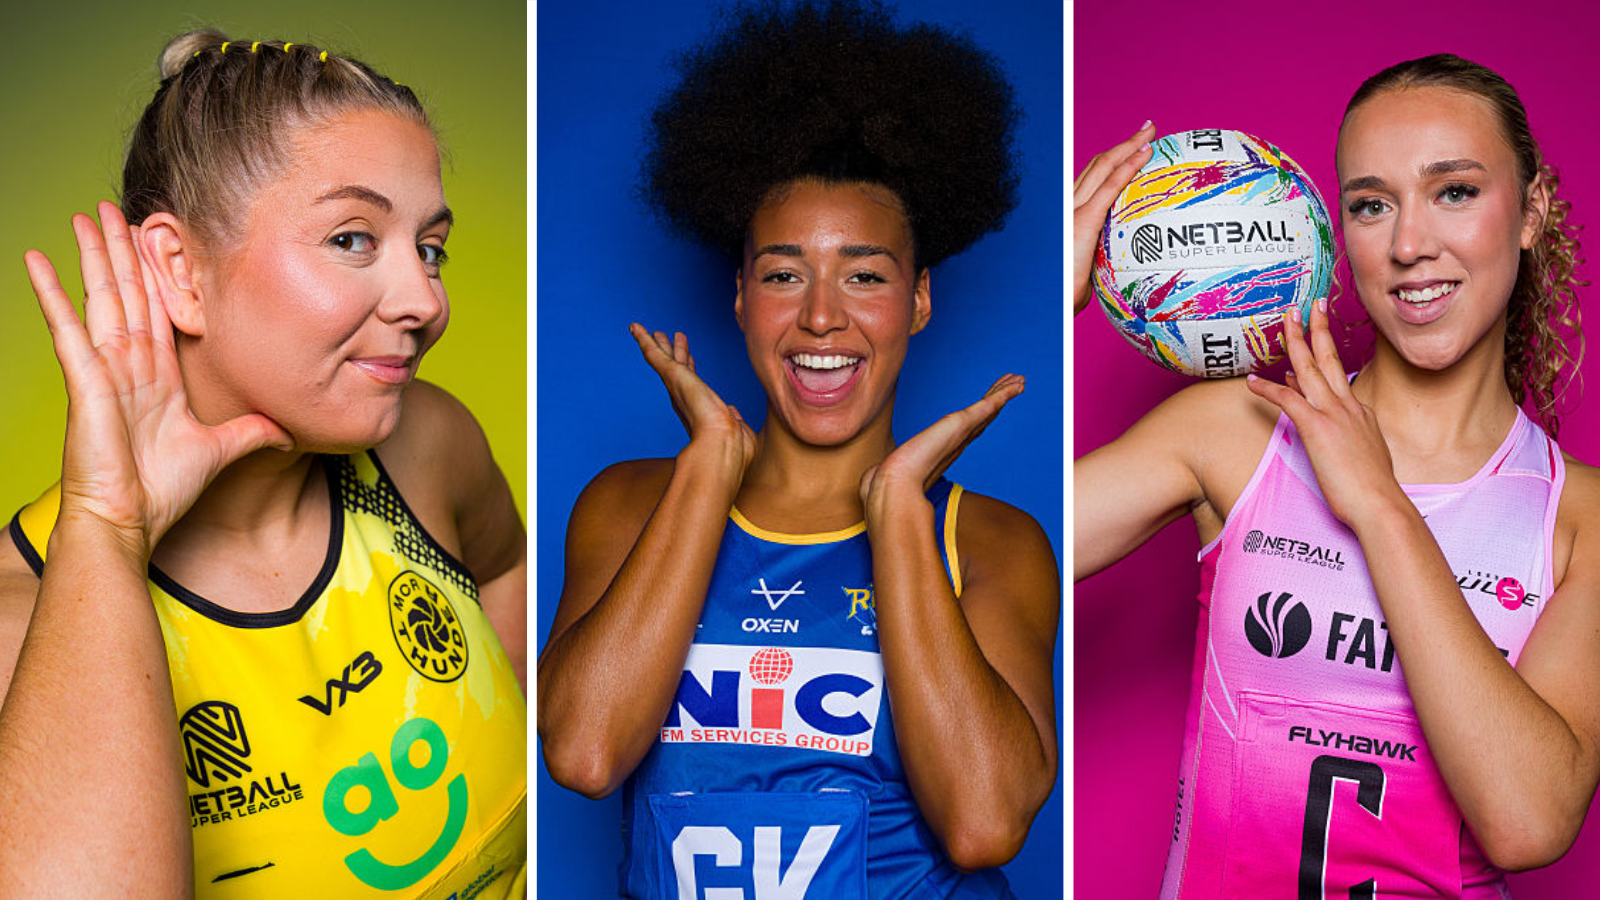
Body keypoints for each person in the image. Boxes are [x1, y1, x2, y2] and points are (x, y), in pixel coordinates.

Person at [535, 2, 1060, 897]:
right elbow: (585, 753)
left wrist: (898, 508)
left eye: (864, 274)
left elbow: (982, 824)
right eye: (783, 274)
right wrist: (707, 466)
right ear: (740, 296)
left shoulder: (989, 541)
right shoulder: (627, 504)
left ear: (920, 301)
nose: (821, 316)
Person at [0, 31, 527, 898]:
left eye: (430, 249)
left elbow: (505, 567)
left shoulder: (429, 444)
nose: (424, 302)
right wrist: (105, 531)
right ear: (180, 271)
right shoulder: (27, 629)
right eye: (354, 239)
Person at [1075, 54, 1600, 897]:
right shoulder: (1238, 431)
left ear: (1533, 210)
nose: (1408, 246)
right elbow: (949, 548)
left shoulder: (1580, 519)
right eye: (1370, 204)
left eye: (1454, 191)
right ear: (1334, 229)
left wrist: (1380, 506)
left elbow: (1528, 821)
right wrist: (1050, 306)